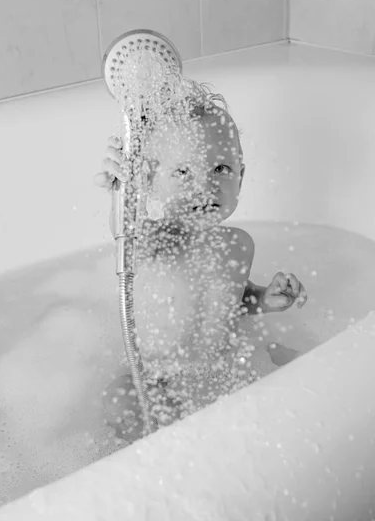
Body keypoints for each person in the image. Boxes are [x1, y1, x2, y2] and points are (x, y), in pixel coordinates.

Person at [95, 82, 307, 442]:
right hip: (156, 377)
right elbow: (125, 232)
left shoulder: (238, 244)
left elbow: (232, 302)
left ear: (242, 176)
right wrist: (123, 191)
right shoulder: (156, 241)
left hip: (225, 365)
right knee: (123, 404)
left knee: (304, 373)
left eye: (221, 168)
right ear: (149, 182)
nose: (205, 186)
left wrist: (263, 300)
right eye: (183, 172)